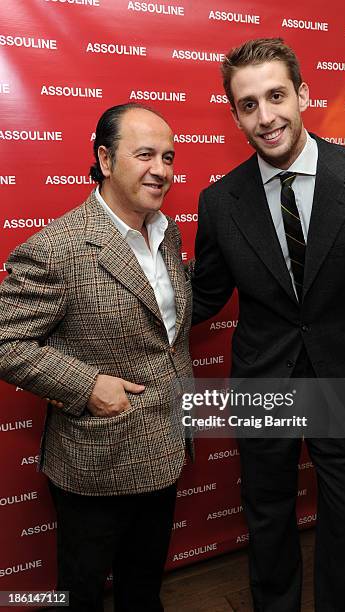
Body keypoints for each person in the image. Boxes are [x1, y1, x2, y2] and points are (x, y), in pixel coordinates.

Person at [192, 38, 345, 612]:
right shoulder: (220, 203)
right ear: (236, 115)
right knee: (267, 515)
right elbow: (207, 294)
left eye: (275, 96)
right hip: (262, 378)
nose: (266, 117)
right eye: (248, 105)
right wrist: (129, 295)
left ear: (303, 94)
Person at [0, 102, 193, 612]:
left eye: (168, 157)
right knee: (81, 594)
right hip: (96, 463)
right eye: (145, 154)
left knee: (143, 588)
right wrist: (86, 386)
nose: (161, 170)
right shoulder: (58, 248)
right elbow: (5, 340)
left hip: (166, 447)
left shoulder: (167, 232)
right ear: (105, 160)